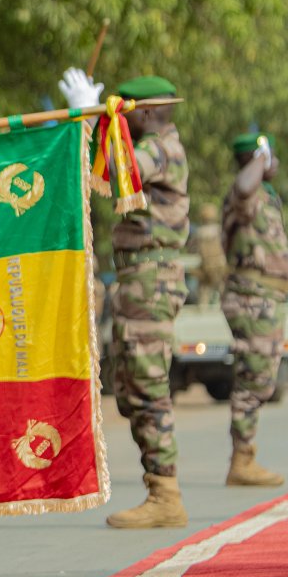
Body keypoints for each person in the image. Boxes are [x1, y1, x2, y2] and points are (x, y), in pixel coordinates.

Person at [83, 72, 191, 530]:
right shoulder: (157, 146)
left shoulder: (158, 148)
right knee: (130, 389)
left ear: (144, 111)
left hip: (150, 278)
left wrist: (89, 122)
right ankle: (159, 488)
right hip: (140, 278)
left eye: (124, 112)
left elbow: (116, 167)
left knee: (146, 387)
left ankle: (165, 495)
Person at [219, 132, 288, 488]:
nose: (275, 163)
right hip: (251, 297)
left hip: (266, 298)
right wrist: (261, 159)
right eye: (269, 156)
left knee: (261, 377)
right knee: (253, 377)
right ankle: (242, 460)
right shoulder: (245, 193)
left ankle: (245, 456)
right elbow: (245, 187)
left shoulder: (266, 196)